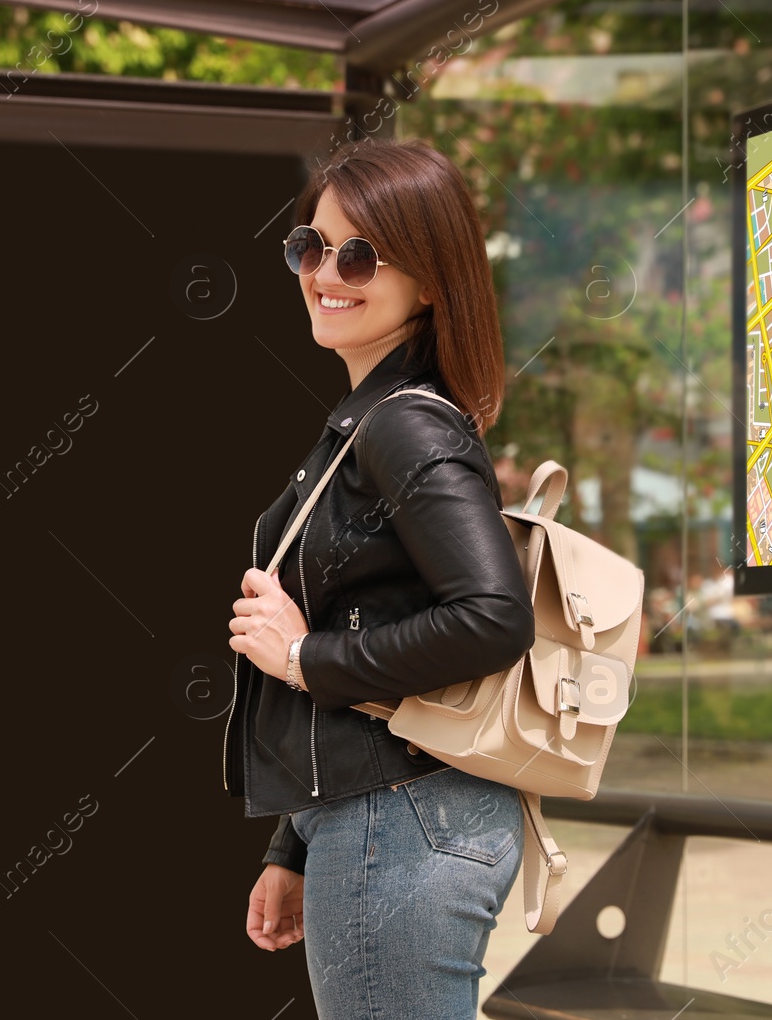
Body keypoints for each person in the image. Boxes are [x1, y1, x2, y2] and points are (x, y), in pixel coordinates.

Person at [223, 137, 536, 1018]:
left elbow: (492, 617)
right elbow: (383, 614)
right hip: (374, 817)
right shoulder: (370, 421)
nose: (326, 271)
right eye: (309, 247)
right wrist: (293, 843)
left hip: (400, 820)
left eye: (359, 253)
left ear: (429, 281)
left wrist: (305, 657)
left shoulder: (405, 428)